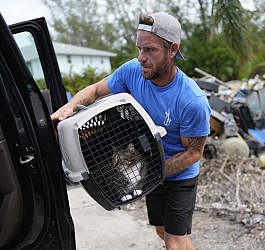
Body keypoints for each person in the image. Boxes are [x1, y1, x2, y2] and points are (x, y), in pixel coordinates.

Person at [51, 11, 211, 250]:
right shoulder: (132, 71)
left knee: (173, 244)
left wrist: (158, 171)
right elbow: (95, 90)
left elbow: (193, 153)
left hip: (180, 176)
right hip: (153, 172)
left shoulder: (192, 101)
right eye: (139, 49)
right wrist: (69, 107)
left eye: (150, 50)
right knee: (162, 230)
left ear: (173, 50)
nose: (141, 58)